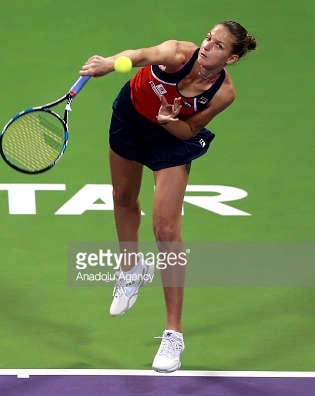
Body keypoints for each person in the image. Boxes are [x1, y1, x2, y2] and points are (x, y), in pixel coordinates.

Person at [79, 21, 257, 373]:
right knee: (123, 197)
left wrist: (167, 121)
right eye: (209, 38)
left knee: (166, 231)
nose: (207, 47)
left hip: (169, 139)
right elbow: (140, 55)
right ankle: (131, 269)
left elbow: (189, 129)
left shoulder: (223, 93)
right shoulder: (179, 53)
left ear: (232, 58)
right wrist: (110, 63)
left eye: (218, 46)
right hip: (130, 120)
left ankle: (173, 334)